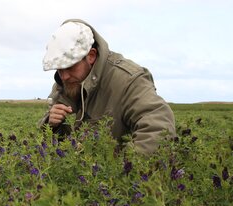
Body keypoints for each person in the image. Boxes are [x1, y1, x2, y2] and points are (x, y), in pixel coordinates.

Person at [38, 19, 176, 154]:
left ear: (91, 56)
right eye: (59, 69)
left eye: (70, 67)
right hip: (82, 175)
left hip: (117, 173)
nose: (64, 76)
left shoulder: (128, 80)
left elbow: (158, 127)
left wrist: (126, 169)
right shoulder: (65, 84)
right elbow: (53, 148)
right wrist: (52, 125)